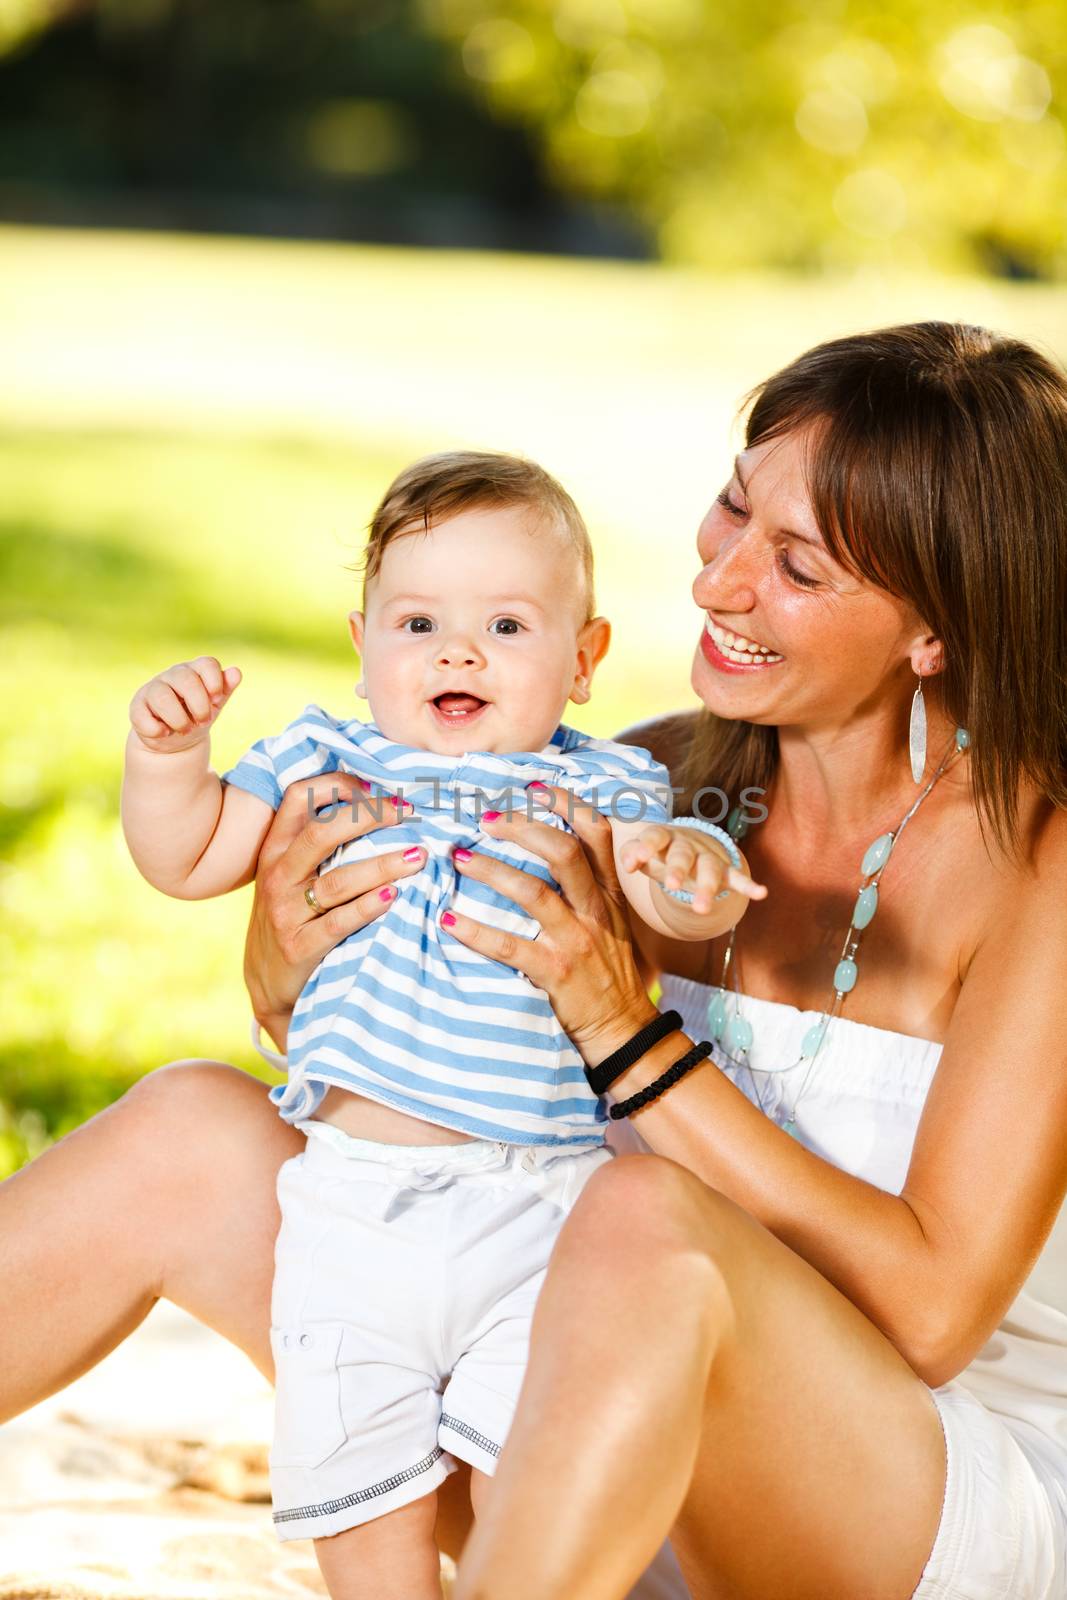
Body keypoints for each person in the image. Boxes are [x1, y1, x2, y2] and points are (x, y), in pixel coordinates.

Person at [2, 322, 1064, 1600]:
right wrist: (293, 947)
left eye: (795, 565)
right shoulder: (652, 780)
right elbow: (414, 1055)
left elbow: (934, 1315)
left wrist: (631, 1040)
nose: (719, 581)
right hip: (583, 1462)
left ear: (930, 632)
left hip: (903, 1502)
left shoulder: (1040, 857)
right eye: (730, 507)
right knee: (190, 1129)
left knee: (642, 1214)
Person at [119, 450, 761, 1598]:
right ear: (361, 643)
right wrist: (168, 759)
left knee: (536, 1464)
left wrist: (688, 864)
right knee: (360, 1478)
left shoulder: (600, 787)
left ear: (581, 662)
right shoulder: (320, 756)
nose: (457, 651)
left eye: (507, 626)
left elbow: (662, 899)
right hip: (351, 1199)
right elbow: (188, 857)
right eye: (418, 621)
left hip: (537, 1207)